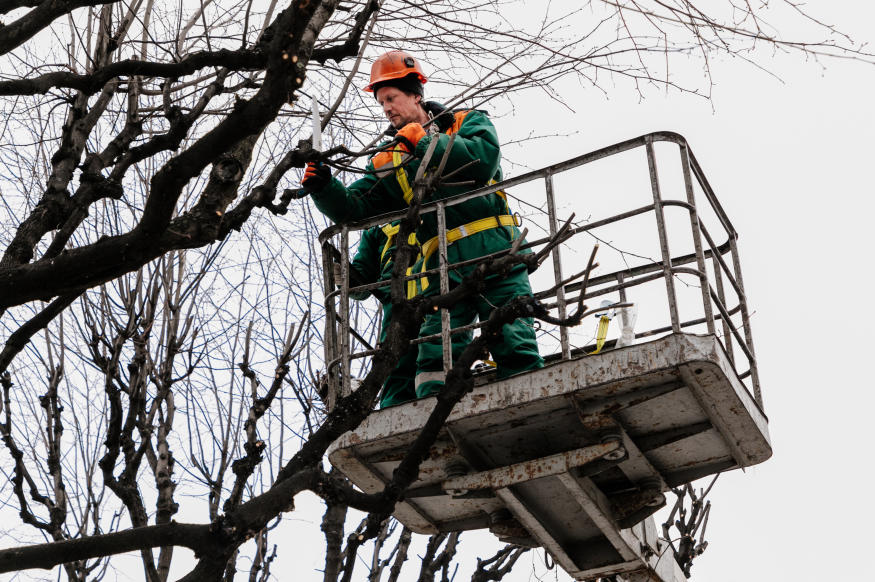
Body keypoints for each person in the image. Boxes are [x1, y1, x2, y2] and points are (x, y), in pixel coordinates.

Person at [303, 50, 543, 399]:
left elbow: (483, 159)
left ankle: (529, 404)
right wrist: (324, 186)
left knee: (513, 334)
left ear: (416, 95)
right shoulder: (388, 158)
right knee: (435, 352)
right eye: (381, 102)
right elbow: (358, 208)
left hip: (495, 250)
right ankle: (432, 423)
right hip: (442, 268)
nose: (386, 108)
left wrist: (425, 140)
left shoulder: (466, 121)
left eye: (392, 98)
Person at [345, 221, 423, 407]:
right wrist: (345, 279)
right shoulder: (378, 229)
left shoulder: (437, 204)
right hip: (396, 306)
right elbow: (362, 286)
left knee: (439, 349)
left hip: (438, 294)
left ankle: (436, 393)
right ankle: (395, 408)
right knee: (395, 361)